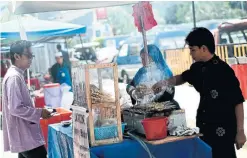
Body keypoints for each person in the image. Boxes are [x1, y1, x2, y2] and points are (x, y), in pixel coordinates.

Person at [152, 27, 246, 158]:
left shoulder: (224, 71)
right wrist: (164, 82)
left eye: (193, 50)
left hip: (223, 129)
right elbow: (183, 77)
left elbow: (238, 101)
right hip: (204, 126)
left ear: (204, 48)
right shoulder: (197, 68)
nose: (191, 53)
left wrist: (240, 131)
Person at [2, 40, 52, 158]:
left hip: (24, 136)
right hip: (26, 137)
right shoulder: (14, 77)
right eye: (28, 56)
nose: (31, 59)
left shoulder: (16, 75)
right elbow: (15, 108)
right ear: (17, 56)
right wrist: (39, 112)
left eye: (32, 56)